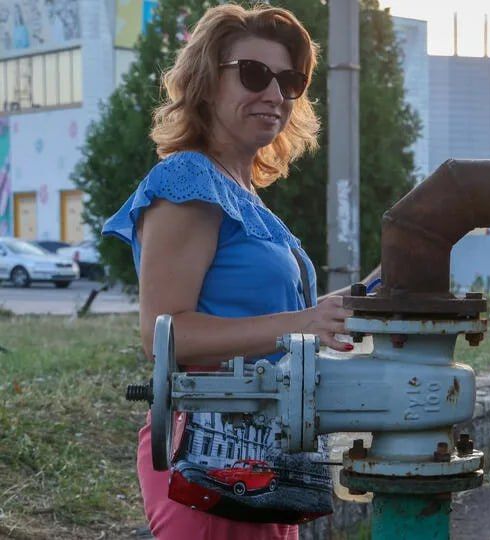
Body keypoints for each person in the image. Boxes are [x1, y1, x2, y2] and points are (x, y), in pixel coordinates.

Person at [103, 5, 369, 538]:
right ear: (205, 81)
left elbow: (271, 320)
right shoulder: (187, 180)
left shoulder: (244, 193)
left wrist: (352, 303)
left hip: (264, 461)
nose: (274, 93)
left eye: (289, 81)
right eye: (253, 73)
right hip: (209, 461)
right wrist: (301, 323)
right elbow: (165, 339)